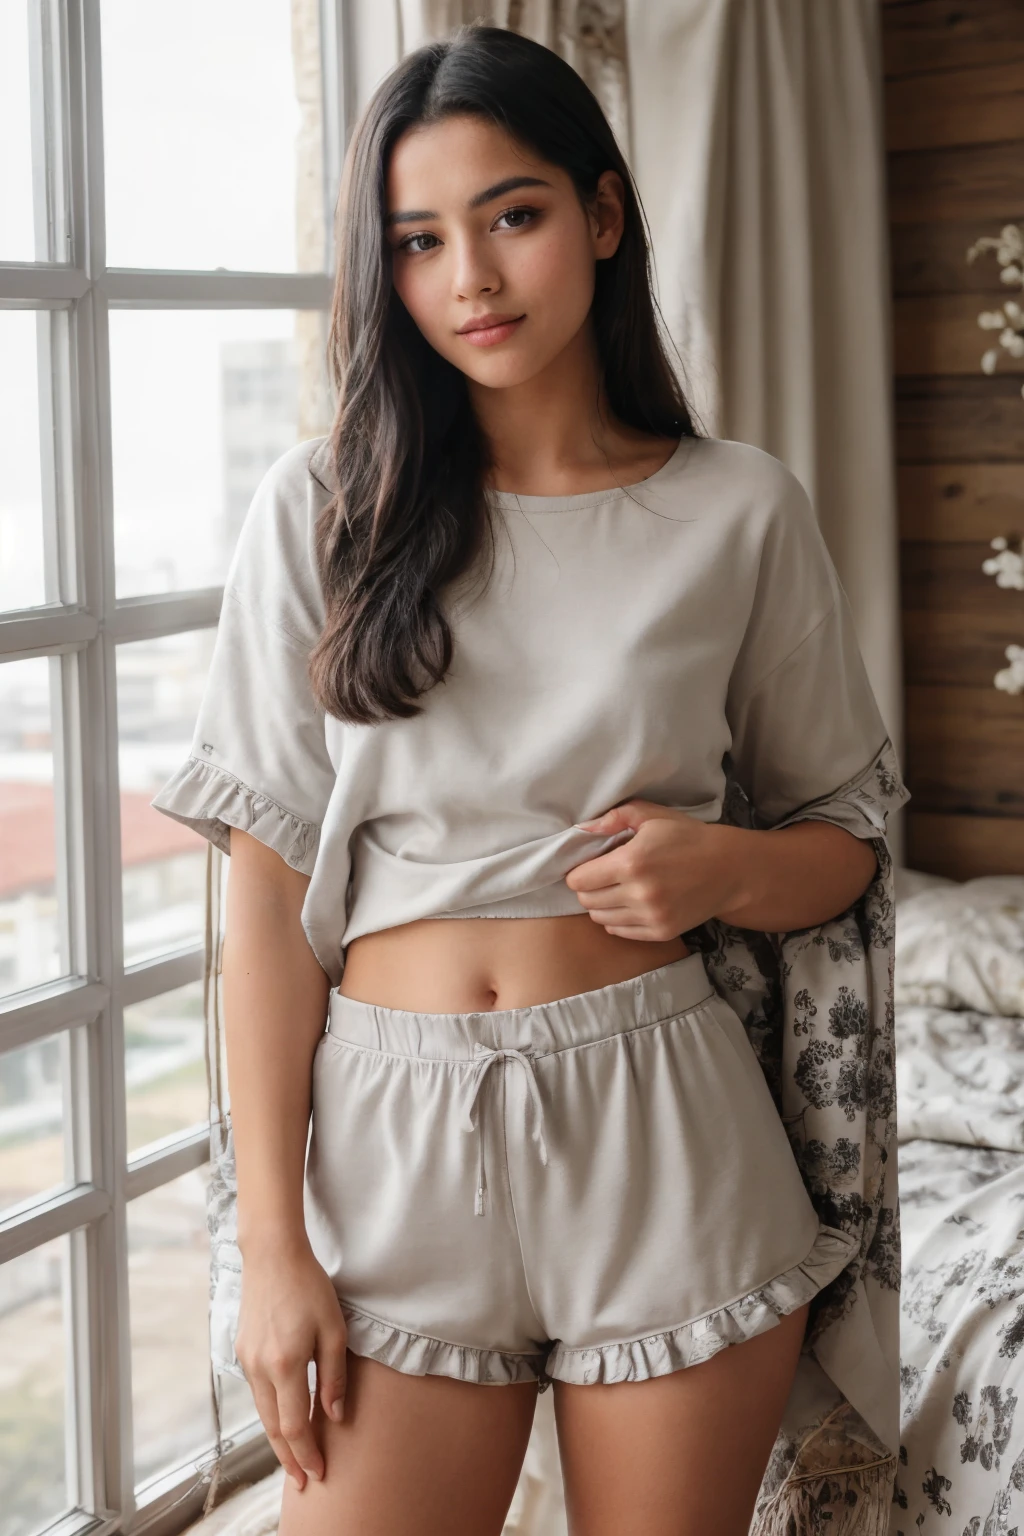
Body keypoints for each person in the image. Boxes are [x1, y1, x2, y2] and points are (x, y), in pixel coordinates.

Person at [151, 24, 908, 1536]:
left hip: (667, 1137)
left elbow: (849, 832)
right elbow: (267, 887)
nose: (472, 279)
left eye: (514, 215)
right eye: (419, 242)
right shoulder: (320, 512)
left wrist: (721, 871)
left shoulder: (739, 509)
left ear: (604, 216)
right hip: (387, 1157)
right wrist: (278, 1249)